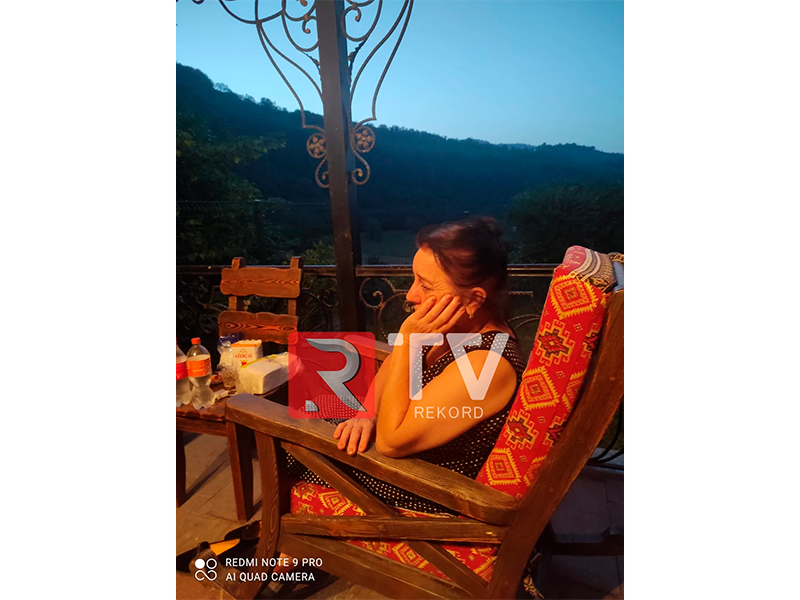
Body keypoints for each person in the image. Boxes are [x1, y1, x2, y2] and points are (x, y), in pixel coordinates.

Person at [288, 216, 527, 514]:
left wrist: (407, 340)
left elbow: (391, 443)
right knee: (305, 410)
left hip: (417, 484)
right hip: (396, 458)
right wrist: (367, 413)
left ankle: (280, 526)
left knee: (286, 442)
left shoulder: (485, 365)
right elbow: (394, 365)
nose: (411, 295)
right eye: (414, 280)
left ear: (474, 299)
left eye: (425, 285)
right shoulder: (457, 329)